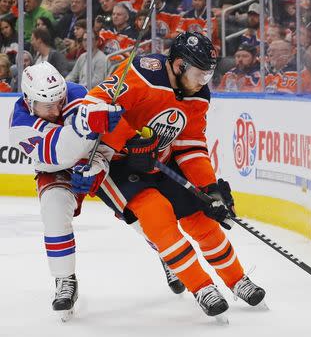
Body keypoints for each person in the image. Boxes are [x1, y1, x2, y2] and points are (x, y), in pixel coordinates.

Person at [72, 31, 266, 320]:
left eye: (207, 75)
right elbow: (92, 106)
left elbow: (191, 145)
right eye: (199, 74)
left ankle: (237, 279)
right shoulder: (140, 73)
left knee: (202, 217)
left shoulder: (198, 95)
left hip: (158, 159)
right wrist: (128, 139)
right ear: (178, 66)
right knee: (158, 216)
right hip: (113, 164)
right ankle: (201, 287)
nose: (204, 82)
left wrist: (209, 188)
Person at [9, 62, 184, 321]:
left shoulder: (76, 93)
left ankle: (169, 257)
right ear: (29, 100)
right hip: (55, 167)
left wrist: (98, 166)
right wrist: (87, 124)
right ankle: (65, 279)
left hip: (95, 159)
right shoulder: (19, 125)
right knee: (53, 211)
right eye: (48, 106)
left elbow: (100, 140)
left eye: (59, 101)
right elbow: (61, 151)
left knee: (135, 208)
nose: (56, 108)